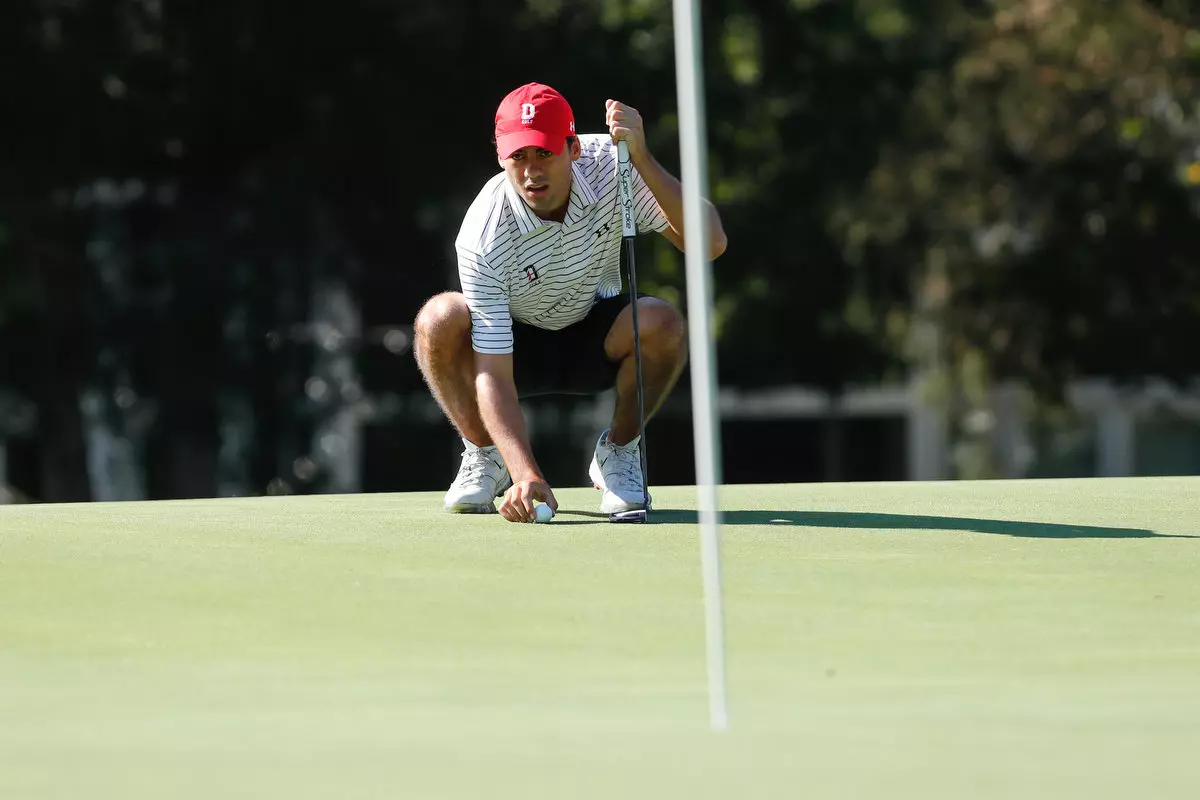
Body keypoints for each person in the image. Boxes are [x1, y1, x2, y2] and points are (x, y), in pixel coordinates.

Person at [413, 82, 727, 523]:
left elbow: (709, 242)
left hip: (593, 332)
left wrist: (640, 158)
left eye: (544, 153)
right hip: (516, 346)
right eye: (518, 156)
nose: (531, 171)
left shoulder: (611, 165)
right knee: (438, 318)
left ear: (574, 148)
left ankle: (618, 452)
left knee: (663, 322)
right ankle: (487, 455)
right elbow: (494, 374)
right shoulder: (484, 233)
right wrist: (527, 474)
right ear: (501, 157)